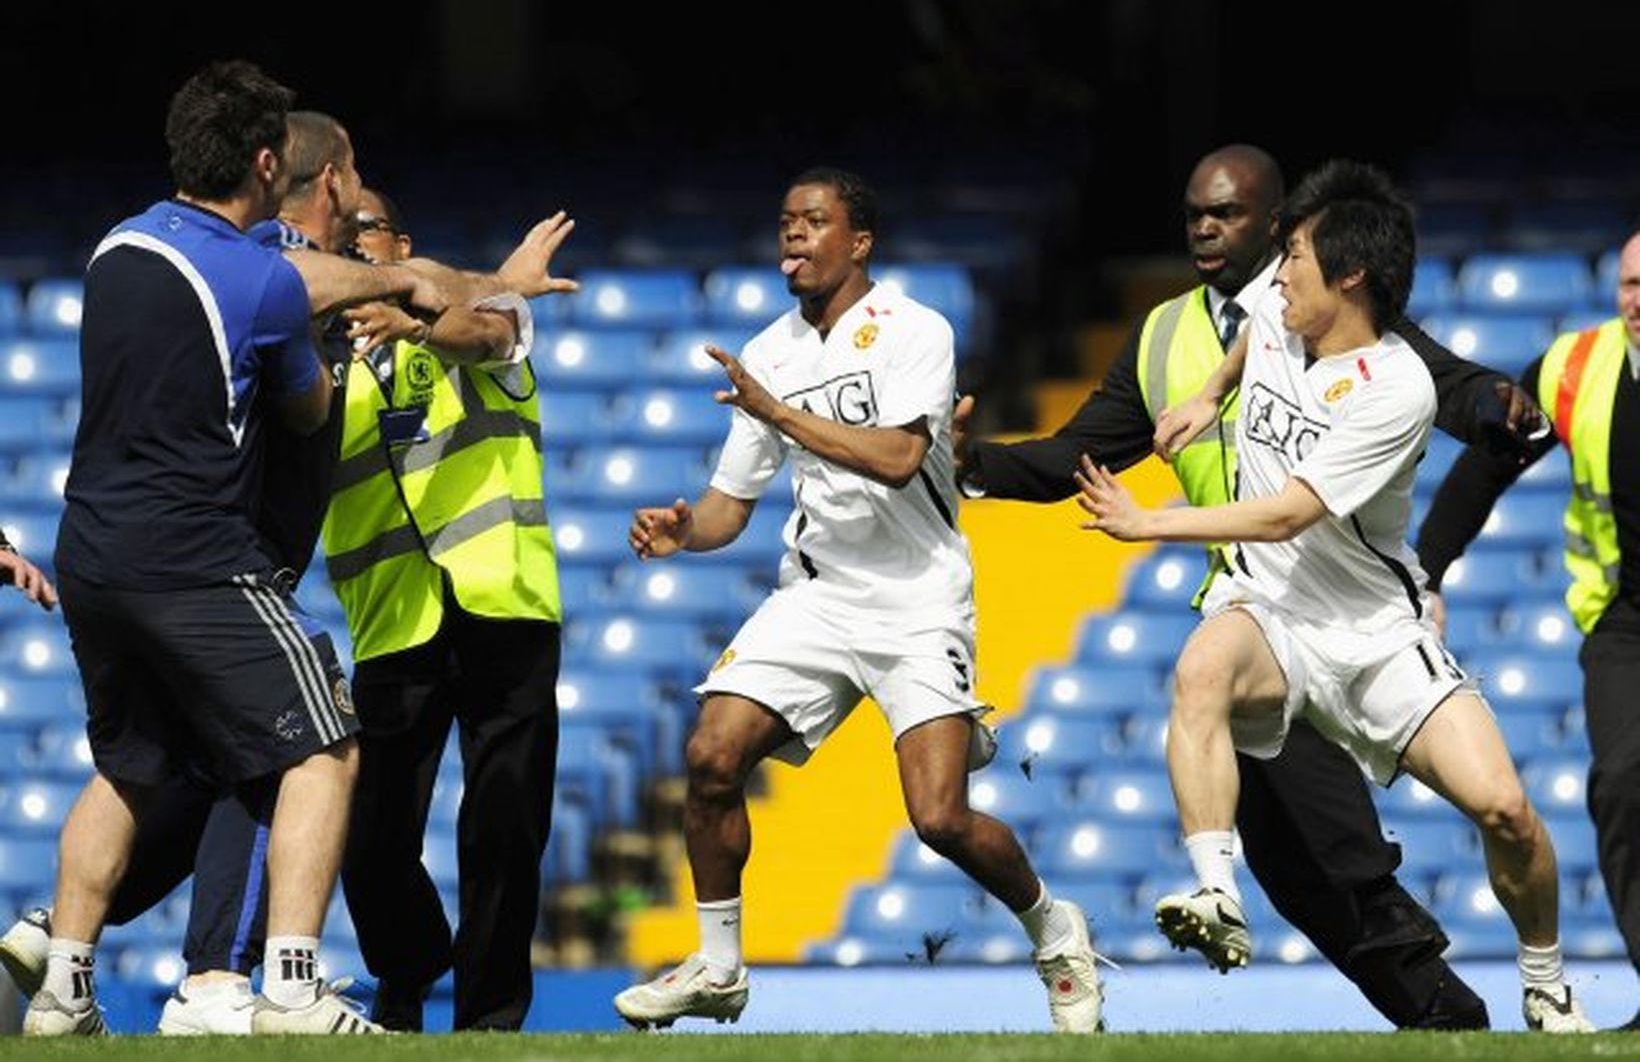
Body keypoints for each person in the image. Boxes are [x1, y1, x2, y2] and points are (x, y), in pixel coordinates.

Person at [953, 143, 1541, 1028]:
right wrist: (976, 463)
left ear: (1277, 227)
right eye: (1192, 211)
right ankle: (1441, 1016)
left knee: (1333, 838)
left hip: (1345, 610)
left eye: (1225, 213)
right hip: (1249, 604)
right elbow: (1078, 450)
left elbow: (1440, 378)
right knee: (1289, 865)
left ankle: (1440, 986)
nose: (1202, 227)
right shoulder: (1165, 336)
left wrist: (1501, 407)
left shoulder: (1335, 312)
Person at [611, 167, 1104, 1034]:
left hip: (918, 598)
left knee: (940, 817)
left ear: (860, 242)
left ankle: (1052, 926)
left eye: (813, 220)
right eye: (784, 223)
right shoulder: (768, 352)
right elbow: (731, 507)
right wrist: (684, 530)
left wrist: (782, 414)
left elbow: (900, 457)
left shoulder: (915, 330)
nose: (792, 236)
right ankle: (719, 966)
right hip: (819, 592)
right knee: (712, 753)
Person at [26, 60, 386, 1037]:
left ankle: (63, 988)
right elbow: (306, 408)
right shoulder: (261, 276)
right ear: (267, 161)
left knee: (136, 769)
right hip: (191, 550)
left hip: (90, 545)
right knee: (324, 743)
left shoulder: (116, 244)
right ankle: (295, 987)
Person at [327, 184, 575, 1032]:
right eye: (343, 238)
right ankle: (409, 964)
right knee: (369, 834)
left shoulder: (475, 320)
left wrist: (425, 318)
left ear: (407, 246)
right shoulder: (317, 369)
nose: (358, 251)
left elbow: (490, 329)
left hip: (503, 597)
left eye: (372, 235)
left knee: (505, 823)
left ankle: (489, 1018)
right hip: (392, 618)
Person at [1416, 228, 1640, 1029]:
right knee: (1622, 782)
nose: (1637, 302)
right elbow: (1486, 465)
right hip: (1625, 621)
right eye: (1628, 284)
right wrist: (1427, 571)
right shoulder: (1577, 365)